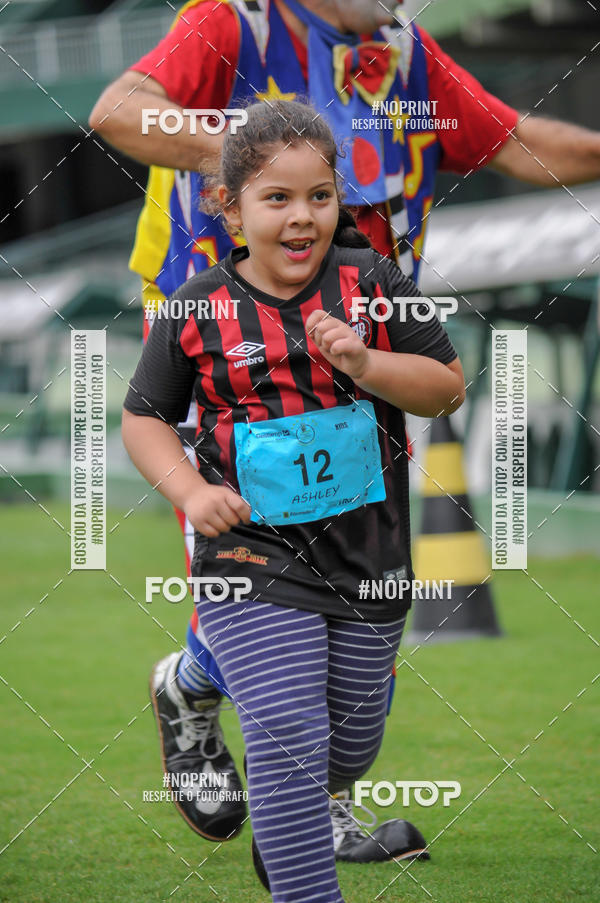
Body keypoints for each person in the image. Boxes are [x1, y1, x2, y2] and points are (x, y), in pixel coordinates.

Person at [90, 0, 600, 855]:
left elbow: (518, 144)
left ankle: (195, 688)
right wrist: (261, 165)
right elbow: (119, 111)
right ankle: (307, 809)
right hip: (228, 364)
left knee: (363, 589)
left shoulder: (407, 53)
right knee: (256, 578)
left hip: (359, 359)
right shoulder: (237, 23)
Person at [122, 99, 465, 903]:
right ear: (230, 209)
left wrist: (369, 364)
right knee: (286, 727)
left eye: (319, 195)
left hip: (369, 550)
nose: (302, 215)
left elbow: (446, 387)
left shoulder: (373, 281)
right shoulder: (196, 305)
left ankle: (271, 794)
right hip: (251, 546)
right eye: (277, 197)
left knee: (347, 745)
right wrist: (189, 489)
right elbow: (143, 418)